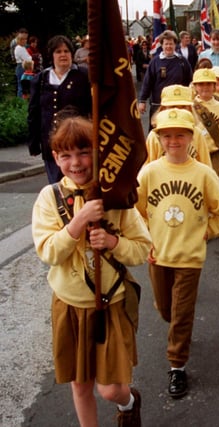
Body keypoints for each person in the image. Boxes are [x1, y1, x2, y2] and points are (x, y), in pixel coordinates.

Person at [31, 116, 152, 427]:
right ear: (56, 158)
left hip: (110, 304)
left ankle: (128, 402)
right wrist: (77, 222)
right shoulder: (50, 198)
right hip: (69, 306)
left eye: (84, 152)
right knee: (80, 384)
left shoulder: (117, 196)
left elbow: (142, 248)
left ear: (98, 153)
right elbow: (48, 252)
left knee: (110, 389)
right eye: (66, 155)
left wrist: (113, 242)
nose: (76, 162)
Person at [136, 108, 219, 399]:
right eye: (167, 135)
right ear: (159, 139)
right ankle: (178, 334)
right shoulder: (151, 171)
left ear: (191, 137)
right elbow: (136, 211)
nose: (173, 141)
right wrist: (146, 238)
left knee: (181, 314)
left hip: (190, 256)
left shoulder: (203, 173)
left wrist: (209, 229)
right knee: (166, 309)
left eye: (180, 134)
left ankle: (177, 365)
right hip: (159, 255)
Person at [27, 35, 92, 184]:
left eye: (66, 51)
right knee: (56, 186)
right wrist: (33, 142)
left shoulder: (83, 76)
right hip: (50, 142)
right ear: (51, 55)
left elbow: (92, 109)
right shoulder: (41, 79)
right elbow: (34, 112)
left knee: (77, 183)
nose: (63, 55)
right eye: (58, 52)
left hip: (77, 141)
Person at [144, 84, 213, 170]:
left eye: (183, 107)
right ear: (163, 109)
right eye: (173, 106)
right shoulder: (154, 136)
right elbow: (147, 169)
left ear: (190, 109)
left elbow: (206, 166)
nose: (177, 110)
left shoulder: (197, 134)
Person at [138, 30, 193, 125]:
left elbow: (190, 82)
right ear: (162, 45)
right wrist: (142, 101)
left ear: (175, 45)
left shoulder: (182, 61)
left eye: (171, 44)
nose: (168, 46)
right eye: (166, 44)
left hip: (178, 104)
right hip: (158, 104)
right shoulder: (155, 62)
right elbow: (147, 82)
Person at [191, 68, 219, 174]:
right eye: (201, 84)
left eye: (209, 84)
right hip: (195, 157)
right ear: (195, 87)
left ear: (214, 86)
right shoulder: (190, 107)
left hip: (215, 155)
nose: (205, 87)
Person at [13, 30, 31, 98]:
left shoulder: (23, 48)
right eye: (23, 39)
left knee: (23, 86)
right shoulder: (19, 48)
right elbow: (27, 58)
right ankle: (20, 102)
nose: (25, 41)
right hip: (21, 66)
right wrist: (30, 58)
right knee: (21, 86)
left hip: (24, 66)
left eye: (26, 39)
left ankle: (23, 101)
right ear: (20, 40)